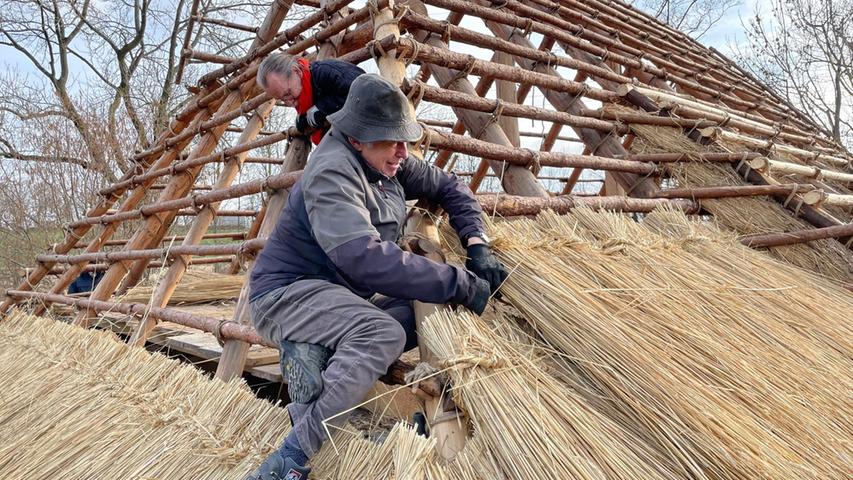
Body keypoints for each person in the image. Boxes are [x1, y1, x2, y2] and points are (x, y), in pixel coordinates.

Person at [246, 74, 508, 479]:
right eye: (393, 140)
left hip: (337, 298)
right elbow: (363, 258)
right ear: (356, 137)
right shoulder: (332, 172)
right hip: (286, 294)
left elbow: (450, 187)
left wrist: (477, 245)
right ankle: (290, 459)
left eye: (406, 140)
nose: (404, 151)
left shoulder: (386, 158)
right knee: (381, 334)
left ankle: (320, 354)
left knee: (424, 315)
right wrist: (458, 282)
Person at [256, 53, 365, 145]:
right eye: (282, 99)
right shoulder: (303, 94)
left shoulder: (326, 72)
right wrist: (304, 119)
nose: (289, 102)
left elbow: (364, 92)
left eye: (288, 93)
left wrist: (324, 108)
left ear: (297, 71)